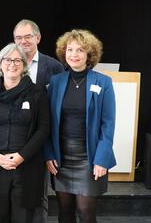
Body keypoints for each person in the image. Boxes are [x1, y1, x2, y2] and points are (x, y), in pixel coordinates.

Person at [44, 29, 116, 223]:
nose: (73, 55)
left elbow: (108, 124)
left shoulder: (103, 82)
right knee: (65, 212)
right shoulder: (56, 82)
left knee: (85, 212)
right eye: (70, 50)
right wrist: (49, 153)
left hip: (89, 157)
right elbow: (47, 122)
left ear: (89, 54)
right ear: (63, 52)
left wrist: (102, 158)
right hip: (61, 158)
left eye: (80, 50)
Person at [0, 43, 50, 223]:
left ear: (24, 65)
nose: (12, 64)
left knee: (22, 217)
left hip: (26, 165)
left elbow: (43, 129)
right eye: (8, 59)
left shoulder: (36, 93)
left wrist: (21, 156)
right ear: (0, 64)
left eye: (17, 60)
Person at [13, 19, 64, 223]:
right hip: (14, 139)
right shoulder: (8, 63)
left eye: (28, 37)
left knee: (39, 194)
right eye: (18, 38)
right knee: (16, 194)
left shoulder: (55, 67)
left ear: (38, 38)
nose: (23, 41)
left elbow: (59, 108)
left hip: (42, 138)